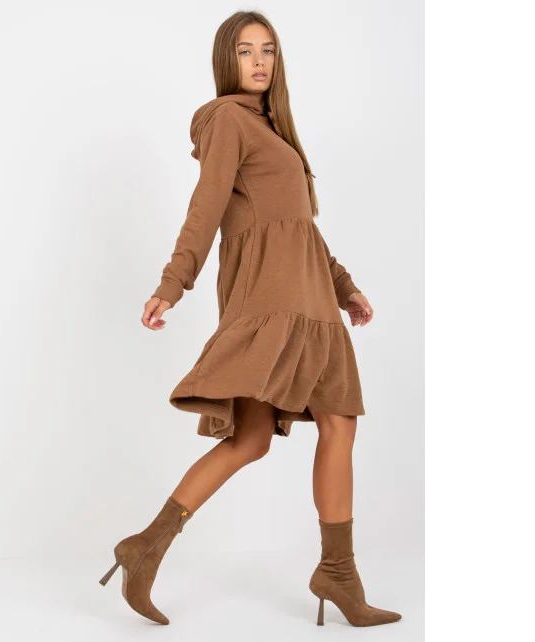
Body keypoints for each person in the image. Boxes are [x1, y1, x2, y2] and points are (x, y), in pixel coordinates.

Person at [99, 11, 401, 628]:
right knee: (319, 426)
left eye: (268, 50)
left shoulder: (276, 130)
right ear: (226, 60)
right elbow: (206, 206)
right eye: (245, 51)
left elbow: (300, 230)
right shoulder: (226, 119)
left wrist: (344, 287)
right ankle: (335, 573)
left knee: (263, 437)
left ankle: (149, 546)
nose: (260, 61)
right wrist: (172, 283)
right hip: (272, 300)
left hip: (309, 297)